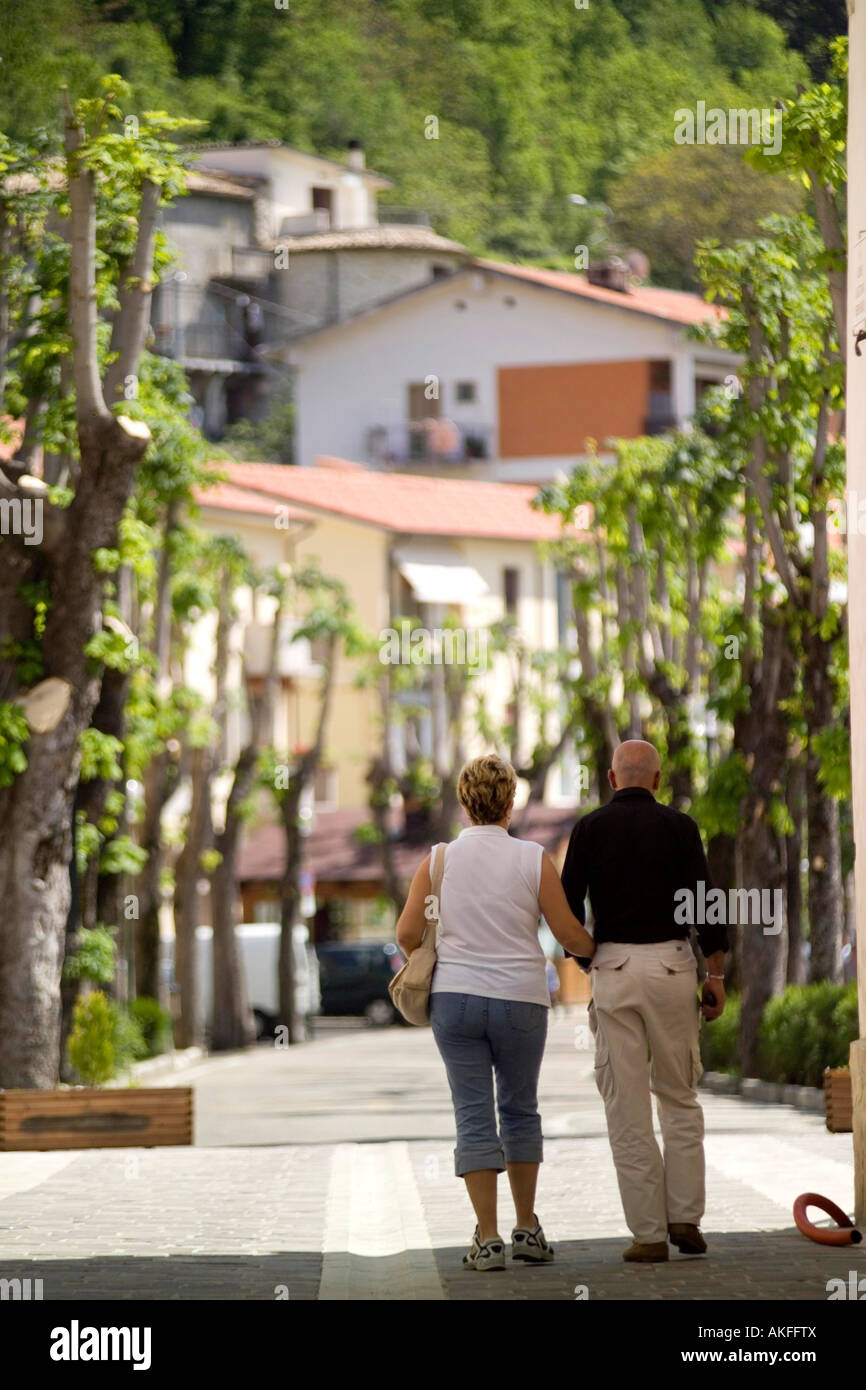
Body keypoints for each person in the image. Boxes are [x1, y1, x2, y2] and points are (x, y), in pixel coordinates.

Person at [396, 754, 595, 1272]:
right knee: (520, 1109)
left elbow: (405, 934)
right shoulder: (533, 859)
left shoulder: (438, 861)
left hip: (455, 1000)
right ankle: (527, 1228)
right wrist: (604, 956)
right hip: (521, 1000)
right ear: (510, 803)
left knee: (473, 1114)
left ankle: (486, 1240)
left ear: (464, 803)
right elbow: (568, 934)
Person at [560, 739, 728, 1264]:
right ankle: (686, 1218)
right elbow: (705, 898)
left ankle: (649, 1236)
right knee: (679, 1096)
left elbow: (566, 908)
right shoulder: (681, 828)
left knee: (627, 1106)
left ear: (612, 779)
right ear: (657, 780)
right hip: (674, 966)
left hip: (615, 968)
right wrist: (715, 974)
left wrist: (589, 959)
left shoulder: (588, 829)